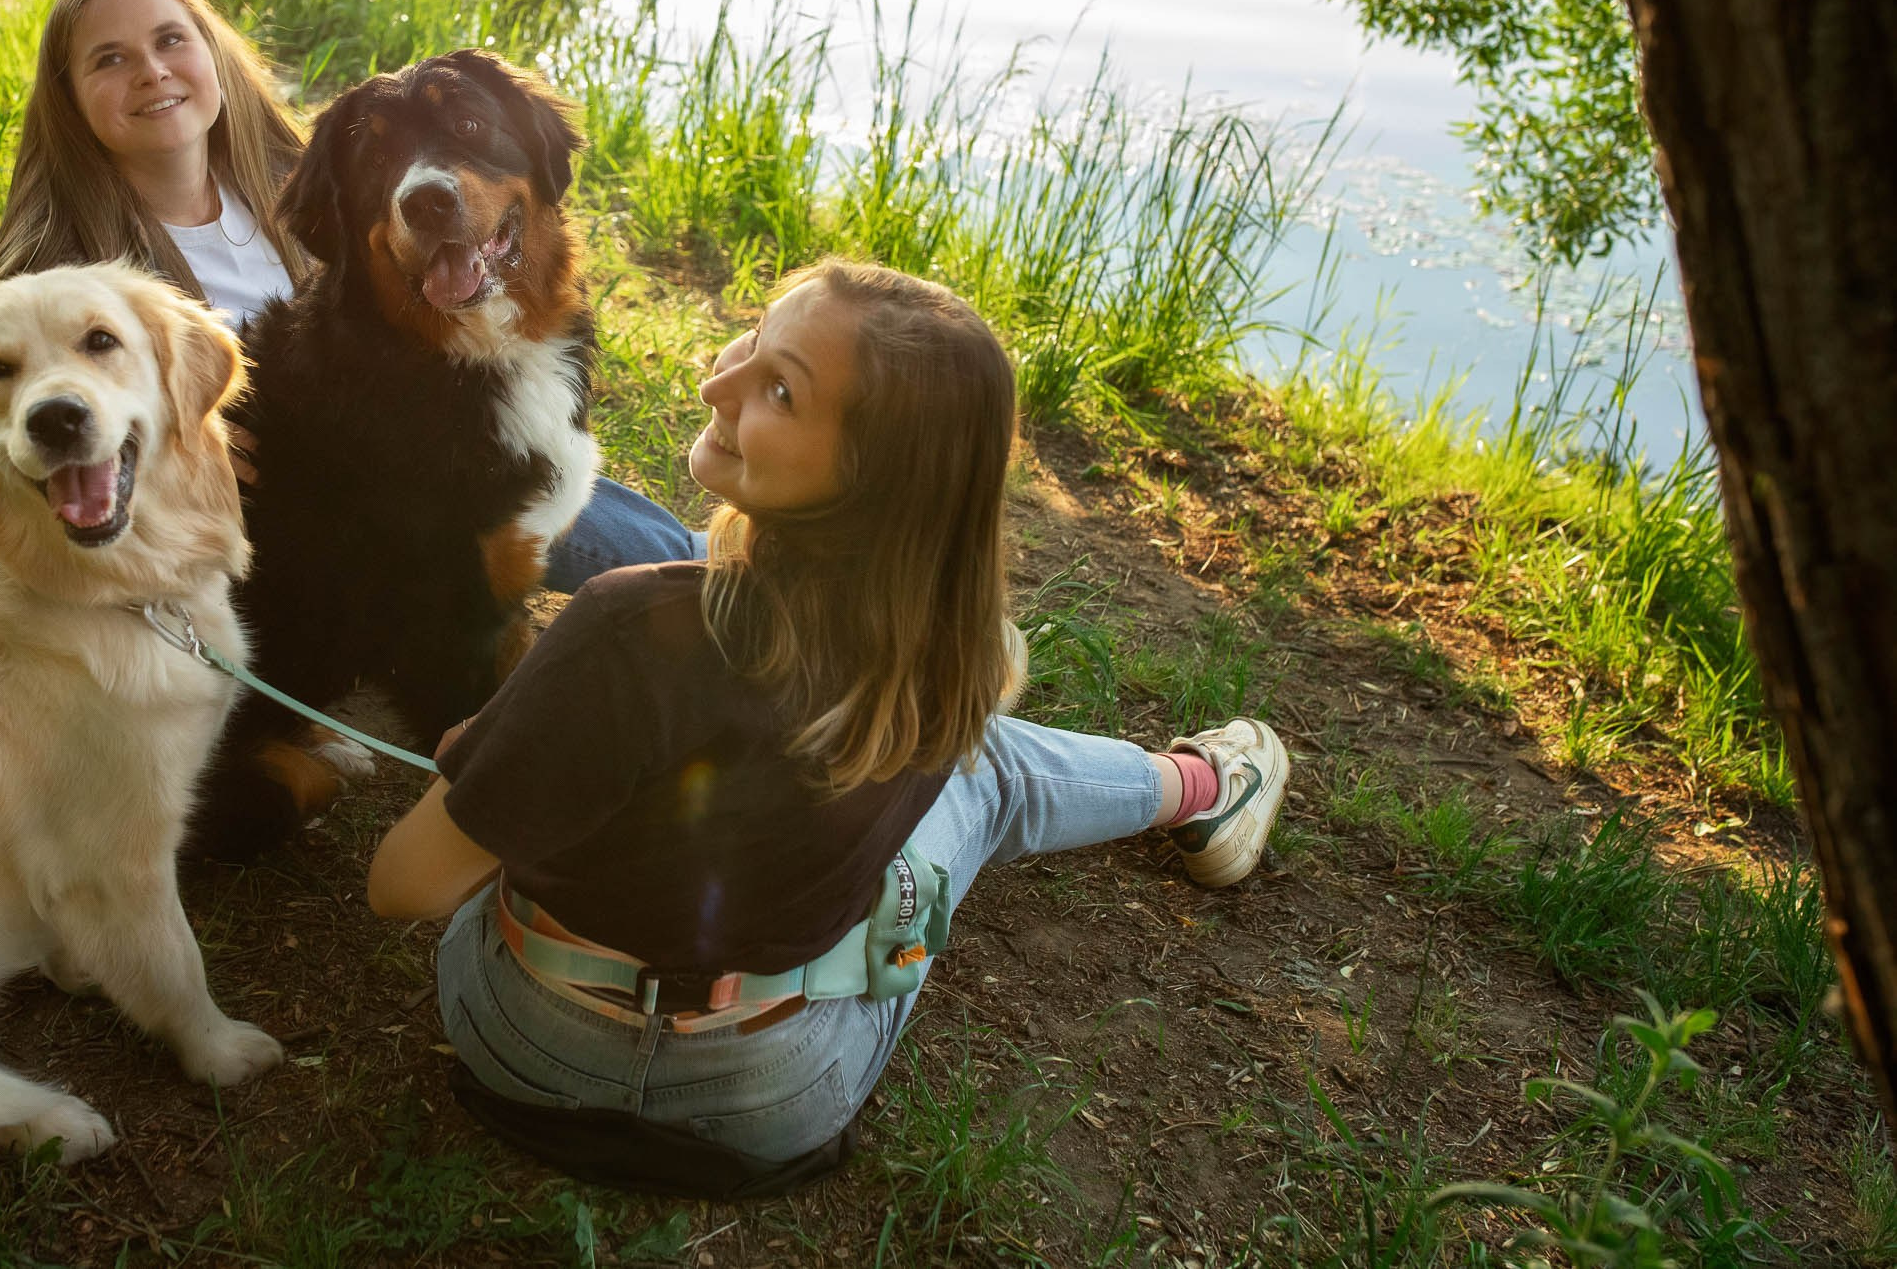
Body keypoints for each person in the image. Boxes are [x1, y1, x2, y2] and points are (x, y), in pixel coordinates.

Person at [364, 258, 1288, 1189]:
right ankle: (1205, 788)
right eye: (756, 343)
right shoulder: (955, 655)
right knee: (986, 761)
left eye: (778, 388)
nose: (714, 383)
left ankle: (1202, 790)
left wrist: (484, 760)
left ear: (865, 475)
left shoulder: (624, 626)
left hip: (523, 1044)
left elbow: (402, 885)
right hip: (770, 1094)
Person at [0, 0, 700, 585]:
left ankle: (701, 558)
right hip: (286, 507)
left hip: (410, 426)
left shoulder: (287, 177)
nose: (152, 71)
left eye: (171, 39)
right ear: (68, 97)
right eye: (109, 58)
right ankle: (696, 572)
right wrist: (178, 446)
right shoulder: (66, 274)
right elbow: (14, 429)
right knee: (499, 488)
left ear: (214, 54)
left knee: (528, 458)